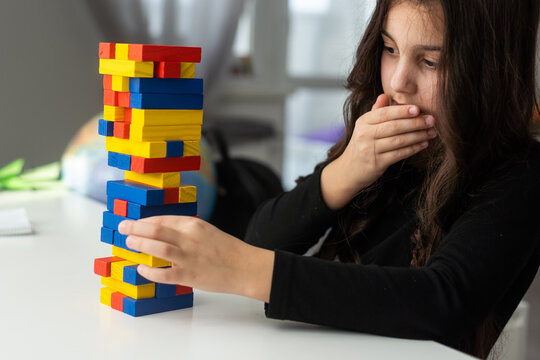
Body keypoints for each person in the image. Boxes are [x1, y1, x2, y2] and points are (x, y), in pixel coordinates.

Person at [117, 0, 540, 358]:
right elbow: (263, 236)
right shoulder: (378, 138)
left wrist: (244, 269)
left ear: (487, 73)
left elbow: (441, 301)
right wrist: (344, 172)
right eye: (390, 49)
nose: (397, 82)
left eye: (430, 61)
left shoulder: (520, 172)